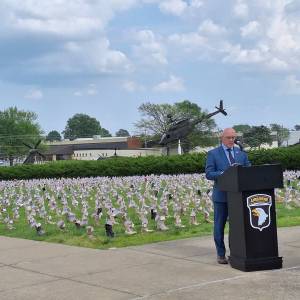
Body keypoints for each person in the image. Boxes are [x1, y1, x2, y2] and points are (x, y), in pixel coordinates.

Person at [205, 128, 251, 264]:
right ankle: (221, 254)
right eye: (229, 138)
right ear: (222, 138)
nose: (231, 140)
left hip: (238, 197)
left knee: (236, 226)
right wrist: (225, 173)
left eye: (233, 138)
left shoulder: (241, 153)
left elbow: (249, 168)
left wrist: (242, 170)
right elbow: (209, 173)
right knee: (219, 226)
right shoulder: (213, 154)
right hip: (221, 196)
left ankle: (235, 252)